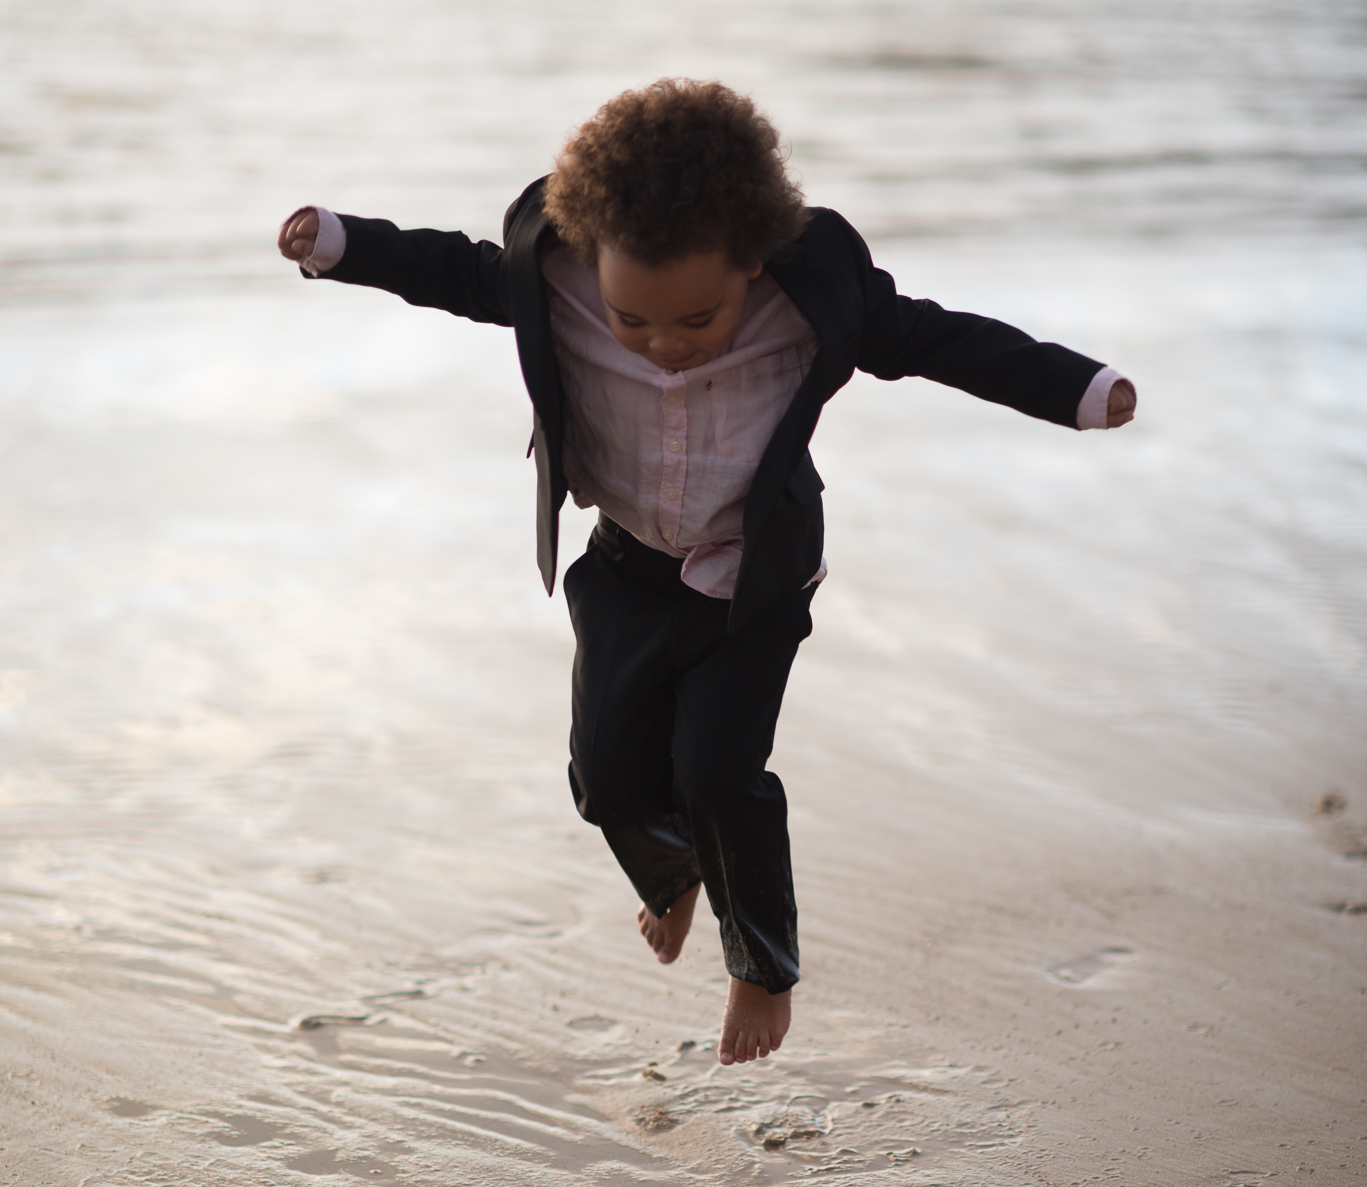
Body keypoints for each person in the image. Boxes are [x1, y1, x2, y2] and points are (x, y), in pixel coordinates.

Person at [278, 79, 1135, 1068]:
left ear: (753, 258)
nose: (664, 344)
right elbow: (447, 269)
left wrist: (1076, 388)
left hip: (752, 573)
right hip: (626, 561)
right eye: (632, 321)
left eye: (696, 319)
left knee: (715, 770)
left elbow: (945, 341)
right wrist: (338, 243)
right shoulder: (553, 274)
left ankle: (760, 963)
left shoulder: (814, 296)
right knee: (604, 776)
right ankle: (670, 867)